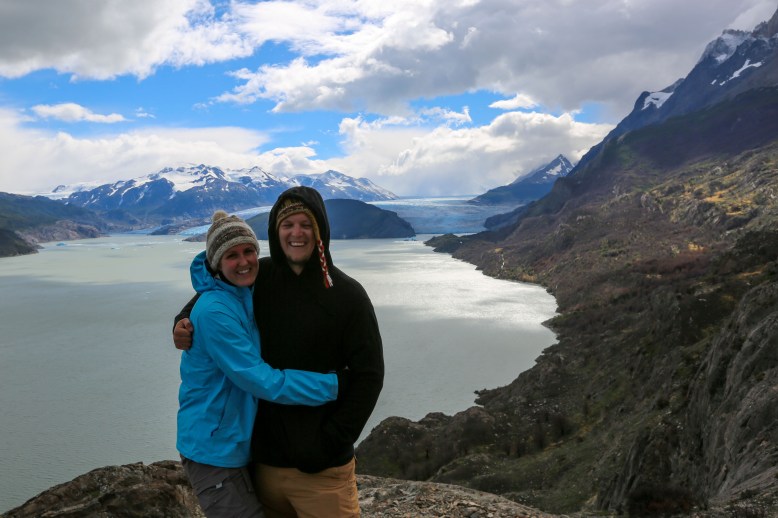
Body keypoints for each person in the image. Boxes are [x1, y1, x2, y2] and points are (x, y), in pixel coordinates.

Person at [174, 187, 384, 518]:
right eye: (287, 225)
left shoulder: (348, 296)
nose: (296, 233)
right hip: (263, 465)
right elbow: (216, 290)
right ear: (275, 230)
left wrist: (328, 444)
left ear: (320, 231)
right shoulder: (263, 275)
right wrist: (183, 319)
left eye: (305, 224)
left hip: (321, 473)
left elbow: (369, 377)